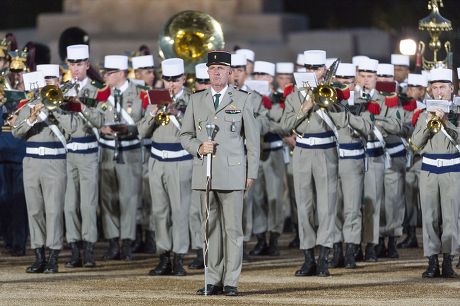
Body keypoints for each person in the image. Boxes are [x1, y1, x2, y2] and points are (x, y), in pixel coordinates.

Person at [180, 50, 259, 296]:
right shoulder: (196, 100)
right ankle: (212, 279)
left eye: (222, 68)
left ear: (230, 72)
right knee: (209, 228)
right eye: (213, 69)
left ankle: (231, 281)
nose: (217, 72)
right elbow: (184, 135)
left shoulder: (244, 99)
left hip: (234, 174)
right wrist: (198, 147)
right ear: (207, 72)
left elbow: (253, 142)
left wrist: (251, 173)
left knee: (233, 230)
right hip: (205, 173)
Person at [12, 71, 80, 273]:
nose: (49, 84)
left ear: (58, 82)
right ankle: (38, 255)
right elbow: (16, 132)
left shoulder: (65, 105)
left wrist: (55, 108)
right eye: (46, 81)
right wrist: (32, 118)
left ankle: (53, 256)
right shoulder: (30, 105)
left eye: (52, 80)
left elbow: (74, 128)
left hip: (54, 162)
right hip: (32, 162)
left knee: (53, 210)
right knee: (34, 211)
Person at [281, 49, 337, 277]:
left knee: (326, 205)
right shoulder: (293, 96)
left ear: (324, 70)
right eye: (308, 68)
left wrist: (328, 100)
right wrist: (304, 108)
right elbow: (285, 126)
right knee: (303, 206)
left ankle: (324, 257)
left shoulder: (333, 93)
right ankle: (307, 257)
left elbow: (342, 121)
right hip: (303, 150)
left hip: (326, 150)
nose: (312, 72)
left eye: (316, 68)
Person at [138, 58, 193, 276]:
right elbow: (141, 132)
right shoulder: (154, 99)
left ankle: (179, 257)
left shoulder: (192, 99)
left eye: (176, 80)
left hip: (180, 161)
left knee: (179, 211)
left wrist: (177, 113)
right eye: (168, 79)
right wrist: (153, 113)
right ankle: (163, 256)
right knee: (159, 212)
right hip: (157, 160)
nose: (171, 84)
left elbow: (197, 130)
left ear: (184, 79)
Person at [411, 68, 458, 278]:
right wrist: (430, 122)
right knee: (429, 217)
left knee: (451, 218)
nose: (439, 93)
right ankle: (431, 261)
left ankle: (449, 260)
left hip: (452, 169)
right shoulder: (423, 115)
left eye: (443, 88)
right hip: (429, 168)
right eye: (435, 88)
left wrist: (446, 122)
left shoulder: (457, 113)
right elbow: (416, 144)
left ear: (452, 89)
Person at [61, 44, 101, 268]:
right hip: (69, 152)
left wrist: (82, 105)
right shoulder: (63, 89)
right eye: (72, 65)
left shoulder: (97, 90)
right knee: (69, 205)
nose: (75, 69)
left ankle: (89, 250)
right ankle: (74, 248)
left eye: (79, 64)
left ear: (87, 65)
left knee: (87, 204)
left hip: (88, 152)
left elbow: (101, 121)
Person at [130, 54, 157, 254]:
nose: (152, 75)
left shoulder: (153, 94)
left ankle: (151, 236)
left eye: (152, 71)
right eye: (148, 72)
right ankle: (138, 234)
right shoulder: (133, 94)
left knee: (150, 196)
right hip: (133, 150)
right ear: (137, 73)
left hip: (149, 150)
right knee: (135, 195)